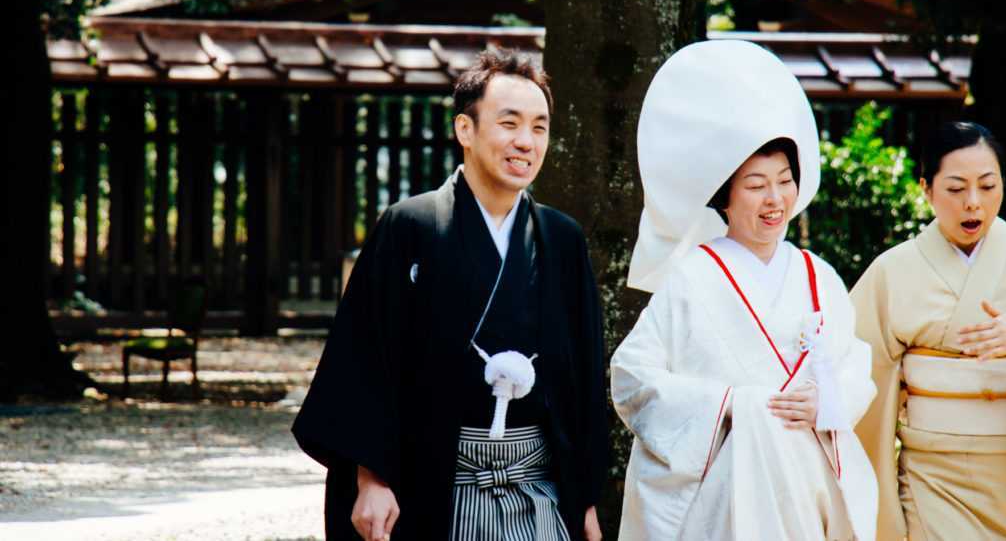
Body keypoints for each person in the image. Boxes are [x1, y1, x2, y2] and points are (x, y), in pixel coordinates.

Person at [292, 48, 608, 541]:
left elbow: (584, 380)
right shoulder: (410, 227)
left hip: (539, 488)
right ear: (465, 129)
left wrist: (585, 497)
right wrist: (371, 477)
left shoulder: (561, 239)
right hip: (432, 485)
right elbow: (364, 362)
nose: (526, 141)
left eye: (539, 127)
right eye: (510, 123)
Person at [611, 40, 879, 540]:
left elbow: (853, 367)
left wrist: (826, 399)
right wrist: (728, 404)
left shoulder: (819, 275)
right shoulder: (692, 276)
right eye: (756, 185)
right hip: (724, 492)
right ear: (726, 197)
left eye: (784, 180)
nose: (775, 199)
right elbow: (632, 379)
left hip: (806, 487)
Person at [852, 122, 1006, 540]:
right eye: (955, 188)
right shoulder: (892, 271)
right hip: (932, 479)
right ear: (926, 189)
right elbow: (854, 377)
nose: (973, 203)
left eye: (987, 186)